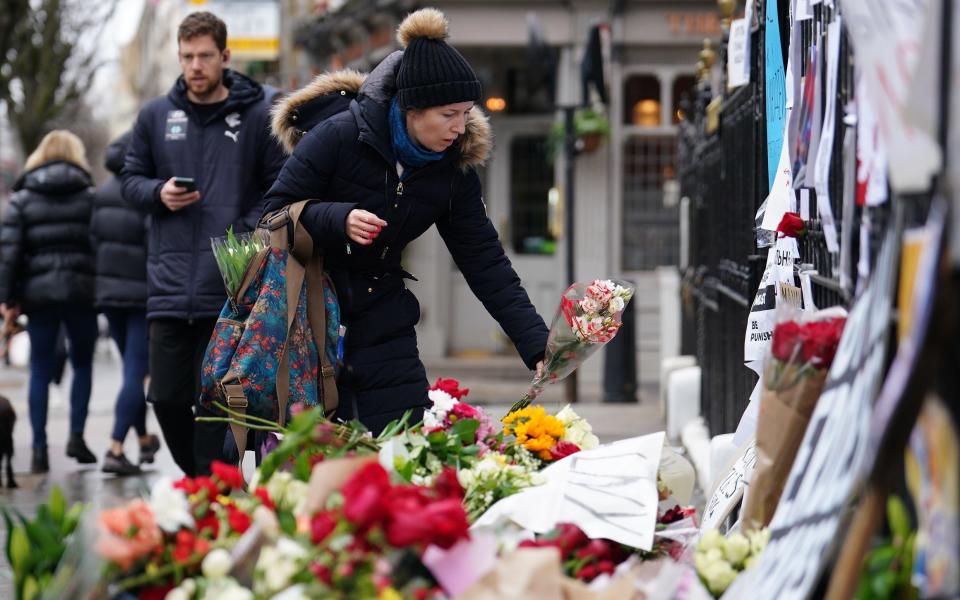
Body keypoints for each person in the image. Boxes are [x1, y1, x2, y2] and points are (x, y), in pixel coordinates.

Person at [265, 8, 548, 434]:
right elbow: (269, 217)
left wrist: (534, 341)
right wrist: (336, 218)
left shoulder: (452, 171)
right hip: (310, 319)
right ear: (412, 109)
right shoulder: (339, 137)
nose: (460, 126)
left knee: (401, 453)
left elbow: (484, 260)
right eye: (448, 114)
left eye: (466, 113)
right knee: (316, 463)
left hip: (386, 323)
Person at [122, 11, 286, 476]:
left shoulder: (259, 113)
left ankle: (209, 492)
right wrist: (159, 193)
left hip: (230, 287)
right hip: (170, 287)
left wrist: (242, 233)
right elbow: (130, 179)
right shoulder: (155, 115)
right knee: (168, 397)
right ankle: (200, 478)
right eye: (187, 56)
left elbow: (280, 188)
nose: (195, 65)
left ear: (225, 56)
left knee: (216, 397)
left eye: (205, 56)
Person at [0, 130, 99, 473]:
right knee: (83, 364)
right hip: (82, 293)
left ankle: (39, 449)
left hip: (38, 295)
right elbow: (100, 245)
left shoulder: (23, 199)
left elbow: (10, 254)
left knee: (40, 369)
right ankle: (76, 436)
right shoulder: (90, 196)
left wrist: (8, 298)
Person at [91, 131, 161, 475]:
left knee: (131, 372)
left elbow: (92, 244)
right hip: (140, 296)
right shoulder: (143, 193)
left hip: (108, 295)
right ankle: (115, 448)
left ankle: (145, 439)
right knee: (137, 373)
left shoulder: (101, 194)